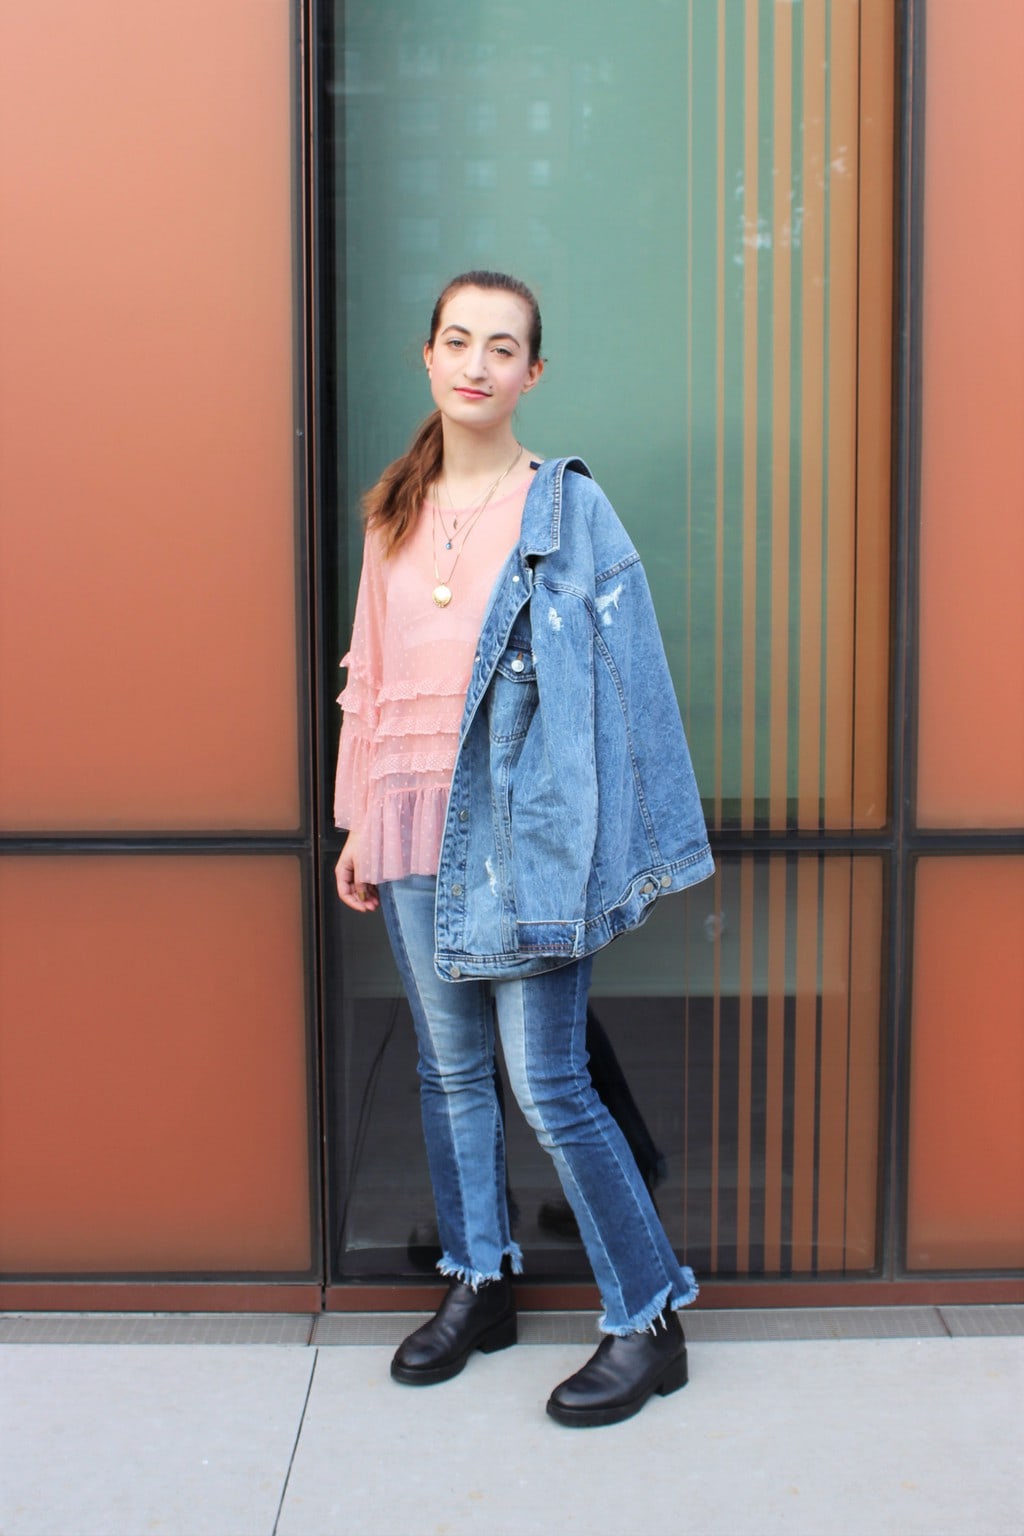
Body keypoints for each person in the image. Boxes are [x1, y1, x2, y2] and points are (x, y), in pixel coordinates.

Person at [334, 270, 714, 1428]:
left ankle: (646, 1317)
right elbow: (370, 674)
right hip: (406, 822)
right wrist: (357, 814)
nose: (478, 364)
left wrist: (611, 840)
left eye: (504, 348)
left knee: (547, 1085)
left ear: (531, 374)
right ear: (429, 355)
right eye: (459, 340)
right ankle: (480, 1282)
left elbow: (619, 683)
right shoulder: (396, 507)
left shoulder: (564, 506)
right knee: (448, 1075)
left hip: (520, 832)